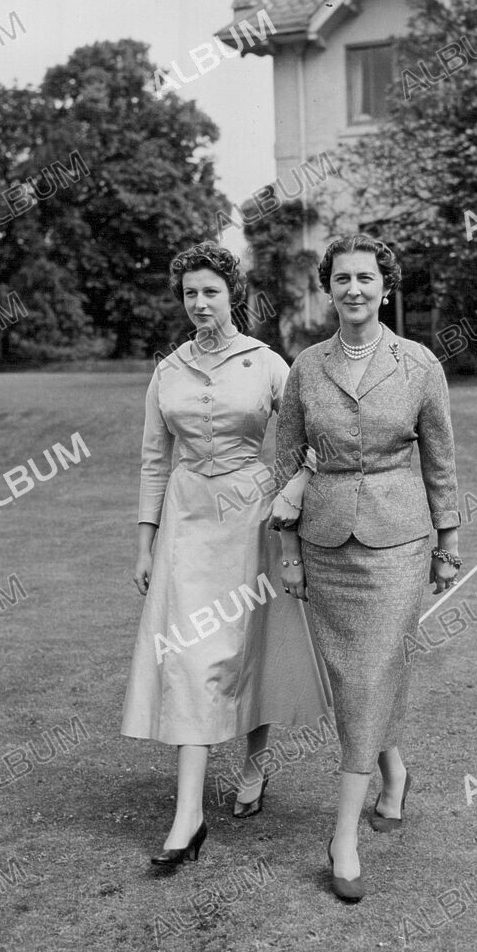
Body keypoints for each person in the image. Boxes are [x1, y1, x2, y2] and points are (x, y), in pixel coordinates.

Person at [122, 241, 331, 868]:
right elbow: (154, 461)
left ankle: (254, 767)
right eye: (190, 293)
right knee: (190, 658)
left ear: (231, 295)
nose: (199, 303)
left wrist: (289, 493)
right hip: (186, 527)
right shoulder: (168, 370)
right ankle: (188, 816)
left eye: (210, 291)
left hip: (251, 521)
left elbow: (311, 439)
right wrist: (144, 541)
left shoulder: (268, 364)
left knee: (250, 648)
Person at [272, 234, 461, 902]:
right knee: (355, 677)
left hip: (397, 544)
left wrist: (449, 538)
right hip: (325, 542)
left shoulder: (417, 365)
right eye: (342, 277)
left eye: (366, 277)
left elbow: (439, 458)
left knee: (371, 670)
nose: (354, 288)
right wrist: (290, 551)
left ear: (387, 285)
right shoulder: (304, 367)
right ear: (328, 287)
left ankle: (342, 836)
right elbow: (284, 460)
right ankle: (395, 771)